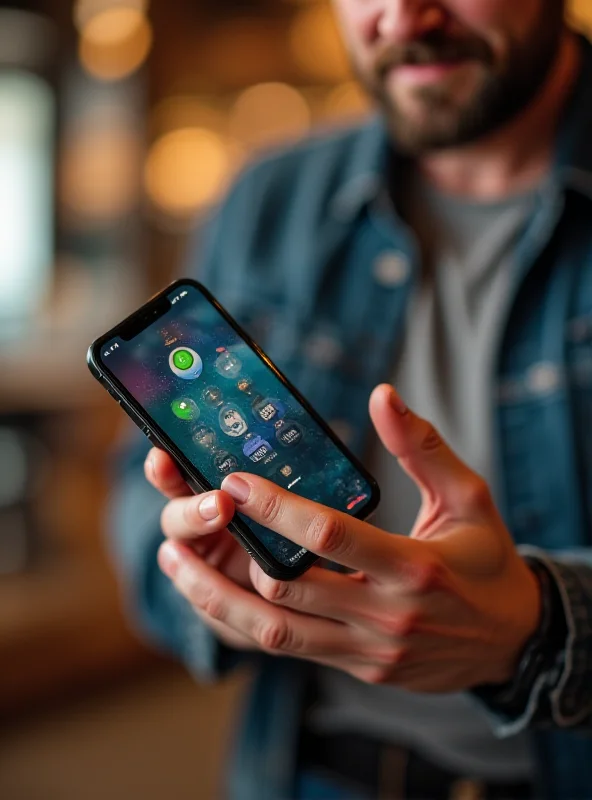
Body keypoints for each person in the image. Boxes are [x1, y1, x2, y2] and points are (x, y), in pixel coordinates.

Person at [112, 1, 592, 798]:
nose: (405, 16)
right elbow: (136, 487)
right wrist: (200, 577)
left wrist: (540, 628)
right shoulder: (268, 198)